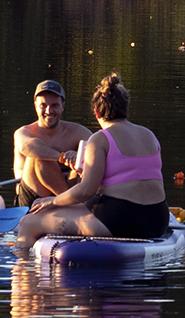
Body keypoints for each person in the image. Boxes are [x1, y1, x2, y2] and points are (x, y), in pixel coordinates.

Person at [17, 73, 168, 242]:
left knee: (28, 223)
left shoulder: (100, 138)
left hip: (119, 220)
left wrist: (53, 201)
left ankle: (23, 266)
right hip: (158, 219)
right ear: (126, 109)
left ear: (96, 113)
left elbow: (86, 191)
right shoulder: (149, 135)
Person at [11, 80, 91, 208]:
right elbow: (28, 147)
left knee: (86, 156)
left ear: (62, 106)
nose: (48, 111)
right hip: (32, 196)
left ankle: (73, 203)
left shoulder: (77, 132)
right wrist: (62, 157)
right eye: (43, 105)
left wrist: (80, 156)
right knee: (38, 157)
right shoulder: (23, 132)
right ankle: (73, 206)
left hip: (67, 190)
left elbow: (100, 151)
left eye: (54, 105)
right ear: (35, 106)